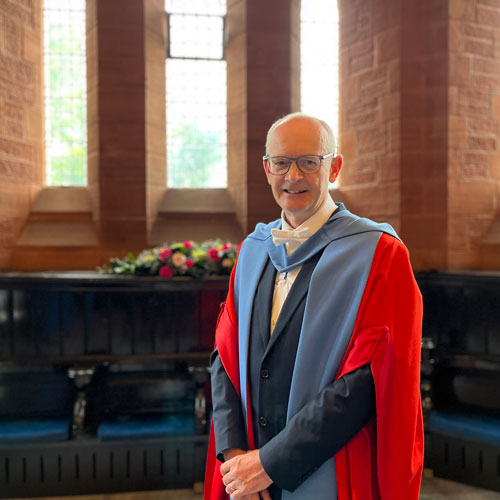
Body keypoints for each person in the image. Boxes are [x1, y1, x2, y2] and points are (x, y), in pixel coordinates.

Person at [205, 112, 424, 500]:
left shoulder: (379, 254)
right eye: (281, 163)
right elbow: (225, 356)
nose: (293, 176)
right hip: (246, 476)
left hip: (331, 471)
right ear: (267, 169)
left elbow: (369, 380)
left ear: (334, 168)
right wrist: (234, 458)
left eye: (309, 162)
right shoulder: (253, 250)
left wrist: (271, 463)